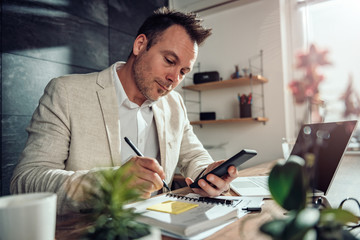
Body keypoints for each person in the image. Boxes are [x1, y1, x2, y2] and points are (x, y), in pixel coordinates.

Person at [10, 7, 239, 214]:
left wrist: (208, 174)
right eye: (169, 60)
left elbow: (194, 156)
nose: (173, 79)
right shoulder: (65, 93)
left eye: (183, 71)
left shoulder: (174, 104)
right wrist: (110, 182)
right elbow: (26, 181)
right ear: (140, 45)